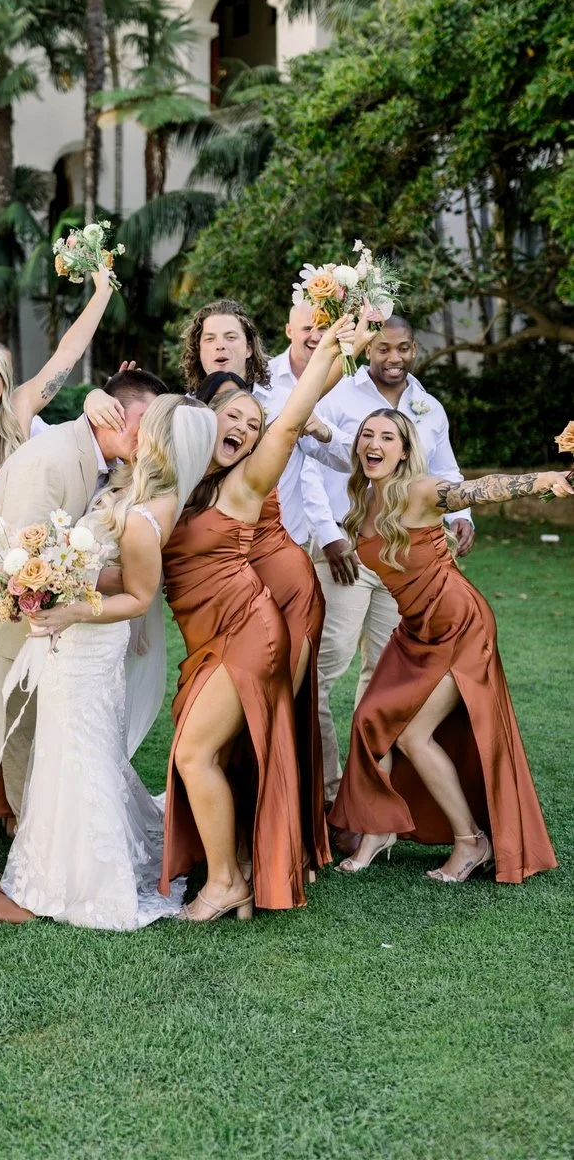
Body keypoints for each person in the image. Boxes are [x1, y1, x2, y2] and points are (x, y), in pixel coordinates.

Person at [0, 368, 168, 922]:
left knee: (26, 732)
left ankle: (30, 843)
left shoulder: (108, 462)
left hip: (31, 620)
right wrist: (114, 588)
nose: (151, 434)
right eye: (146, 420)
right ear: (112, 413)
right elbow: (22, 566)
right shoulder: (52, 459)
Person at [160, 317, 357, 921]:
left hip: (249, 632)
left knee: (196, 754)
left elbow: (292, 418)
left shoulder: (246, 482)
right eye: (233, 419)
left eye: (253, 425)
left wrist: (329, 348)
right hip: (210, 635)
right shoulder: (183, 481)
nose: (244, 429)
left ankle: (227, 884)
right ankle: (239, 865)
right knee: (221, 752)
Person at [0, 395, 218, 929]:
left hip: (90, 638)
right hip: (75, 636)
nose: (134, 426)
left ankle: (91, 879)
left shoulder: (148, 513)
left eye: (147, 422)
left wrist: (71, 609)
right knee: (67, 744)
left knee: (81, 748)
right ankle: (53, 863)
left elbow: (141, 598)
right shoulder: (134, 485)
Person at [330, 410, 561, 884]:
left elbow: (480, 489)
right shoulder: (362, 498)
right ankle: (378, 828)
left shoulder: (420, 492)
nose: (374, 443)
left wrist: (546, 479)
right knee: (371, 718)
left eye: (387, 437)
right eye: (367, 435)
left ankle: (471, 841)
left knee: (413, 734)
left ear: (405, 450)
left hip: (459, 626)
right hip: (414, 629)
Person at [302, 315, 474, 813]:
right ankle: (330, 792)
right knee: (320, 672)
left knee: (382, 680)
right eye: (382, 349)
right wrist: (331, 537)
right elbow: (309, 463)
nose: (392, 358)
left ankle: (368, 803)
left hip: (403, 561)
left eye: (402, 349)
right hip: (347, 552)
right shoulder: (338, 392)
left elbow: (445, 470)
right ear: (367, 349)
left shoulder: (428, 406)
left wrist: (462, 515)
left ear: (415, 348)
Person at [0, 269, 118, 549]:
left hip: (34, 557)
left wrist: (102, 293)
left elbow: (67, 354)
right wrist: (11, 549)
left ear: (5, 381)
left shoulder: (20, 411)